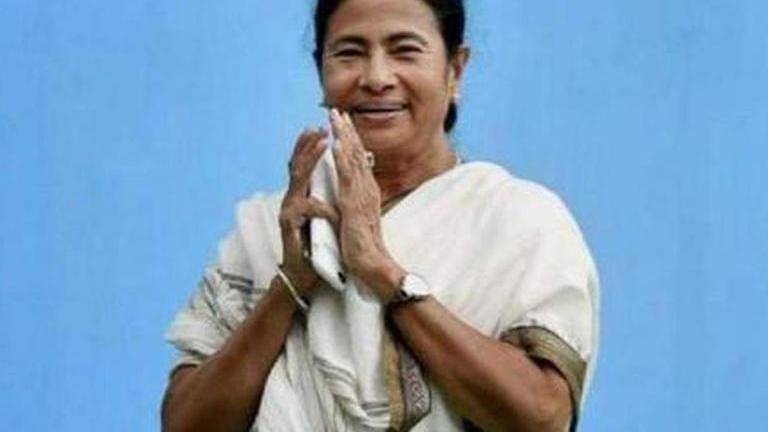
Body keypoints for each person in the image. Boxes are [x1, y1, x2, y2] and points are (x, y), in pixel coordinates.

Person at [161, 0, 599, 431]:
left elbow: (543, 416)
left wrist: (381, 271)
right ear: (320, 69)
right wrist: (289, 285)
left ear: (455, 70)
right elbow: (184, 424)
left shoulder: (518, 221)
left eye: (404, 51)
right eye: (349, 53)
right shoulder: (276, 229)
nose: (375, 78)